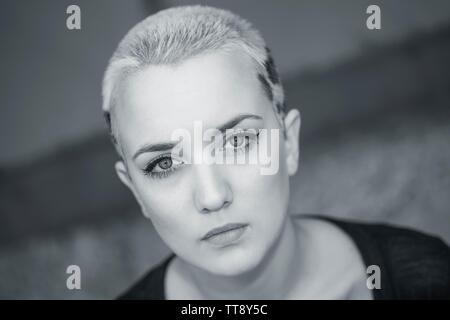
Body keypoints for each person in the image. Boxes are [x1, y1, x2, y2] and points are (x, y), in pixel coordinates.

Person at [101, 5, 450, 299]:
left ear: (288, 143)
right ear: (135, 190)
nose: (212, 196)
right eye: (164, 163)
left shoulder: (424, 279)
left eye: (237, 142)